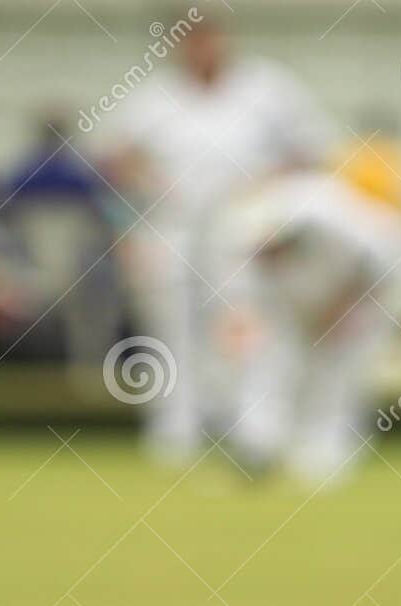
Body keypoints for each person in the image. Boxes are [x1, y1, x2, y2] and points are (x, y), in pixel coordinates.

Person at [101, 4, 333, 461]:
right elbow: (114, 159)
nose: (202, 46)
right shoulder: (153, 97)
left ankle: (253, 426)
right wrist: (142, 184)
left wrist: (269, 187)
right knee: (169, 327)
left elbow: (315, 151)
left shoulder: (268, 87)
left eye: (210, 36)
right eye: (191, 38)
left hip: (245, 229)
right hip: (173, 226)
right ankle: (175, 430)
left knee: (245, 325)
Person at [222, 136, 401, 483]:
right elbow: (247, 298)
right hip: (291, 303)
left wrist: (344, 310)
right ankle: (258, 446)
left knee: (336, 374)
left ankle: (326, 457)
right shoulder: (249, 228)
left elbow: (377, 269)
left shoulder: (342, 221)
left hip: (362, 296)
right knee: (268, 363)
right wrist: (243, 322)